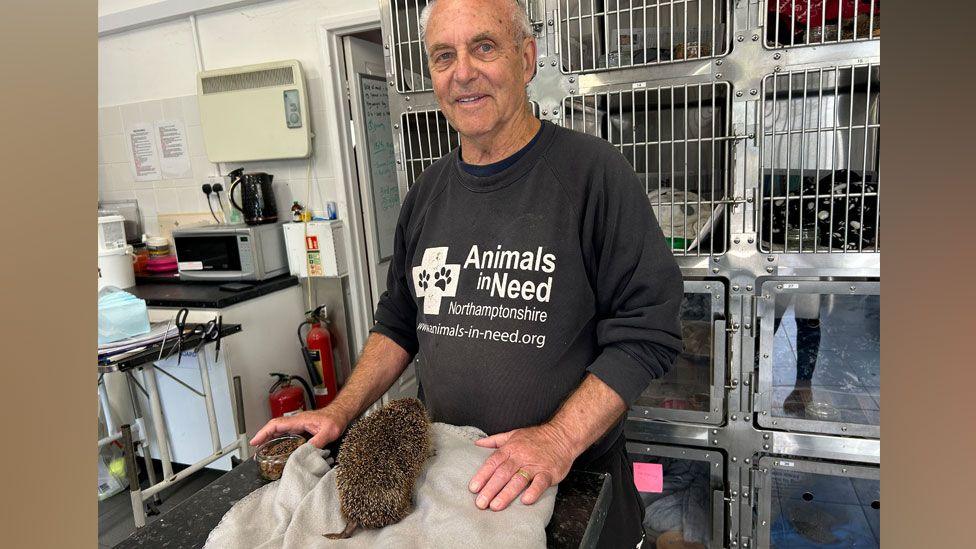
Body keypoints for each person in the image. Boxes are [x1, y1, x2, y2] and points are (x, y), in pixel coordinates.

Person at [250, 0, 684, 546]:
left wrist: (558, 438)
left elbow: (647, 330)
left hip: (569, 482)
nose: (463, 73)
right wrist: (339, 409)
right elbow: (400, 321)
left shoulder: (593, 175)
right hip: (452, 484)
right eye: (443, 56)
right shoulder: (426, 196)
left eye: (484, 47)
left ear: (526, 59)